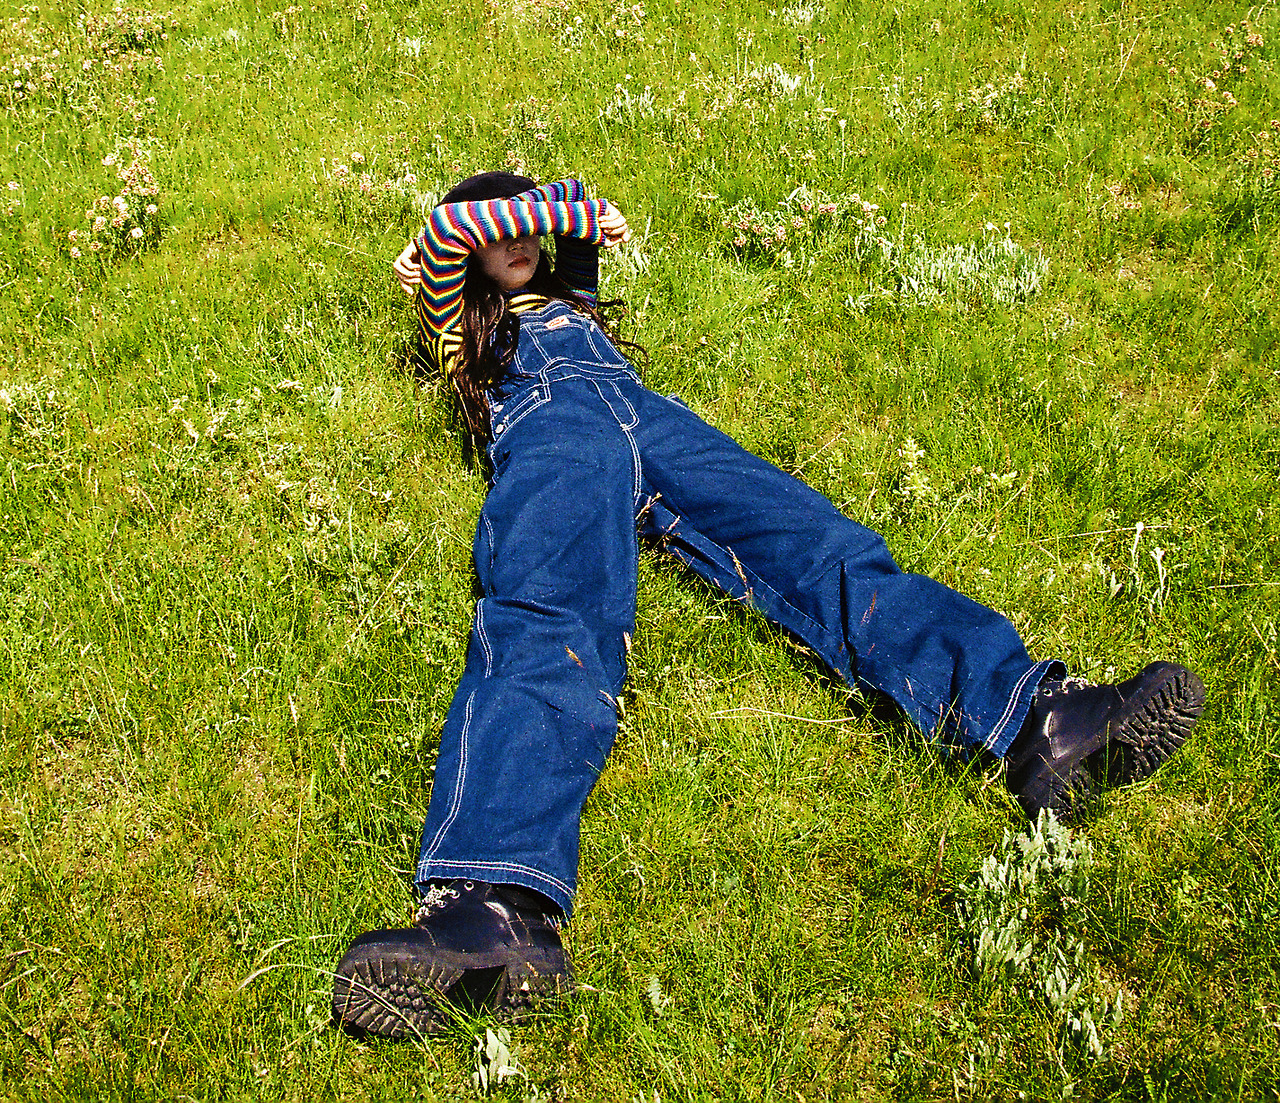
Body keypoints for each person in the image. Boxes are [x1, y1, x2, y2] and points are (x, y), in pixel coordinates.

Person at [331, 172, 1204, 1041]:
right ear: (468, 249)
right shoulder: (458, 321)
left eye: (533, 223)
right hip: (554, 434)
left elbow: (575, 215)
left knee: (819, 544)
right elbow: (478, 232)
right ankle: (495, 903)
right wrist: (513, 219)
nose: (522, 240)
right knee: (552, 612)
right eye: (498, 228)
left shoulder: (573, 297)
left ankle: (1037, 723)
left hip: (655, 423)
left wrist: (573, 217)